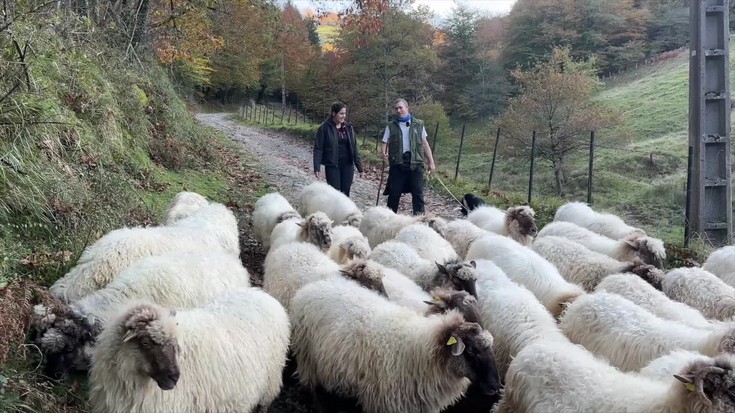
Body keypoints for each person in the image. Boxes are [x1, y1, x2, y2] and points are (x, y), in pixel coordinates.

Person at [381, 98, 436, 215]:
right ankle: (390, 219)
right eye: (396, 108)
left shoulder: (418, 124)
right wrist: (383, 153)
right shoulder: (391, 125)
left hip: (416, 163)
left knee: (418, 194)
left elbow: (425, 143)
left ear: (407, 108)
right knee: (394, 193)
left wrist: (431, 162)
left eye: (401, 107)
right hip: (397, 163)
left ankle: (420, 220)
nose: (398, 110)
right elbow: (385, 141)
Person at [313, 102, 363, 197]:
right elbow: (318, 148)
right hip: (332, 165)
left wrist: (359, 166)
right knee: (334, 194)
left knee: (345, 193)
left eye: (344, 113)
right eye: (341, 113)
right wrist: (317, 167)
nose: (343, 116)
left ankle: (344, 212)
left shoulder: (349, 128)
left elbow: (354, 148)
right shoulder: (324, 128)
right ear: (333, 113)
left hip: (347, 165)